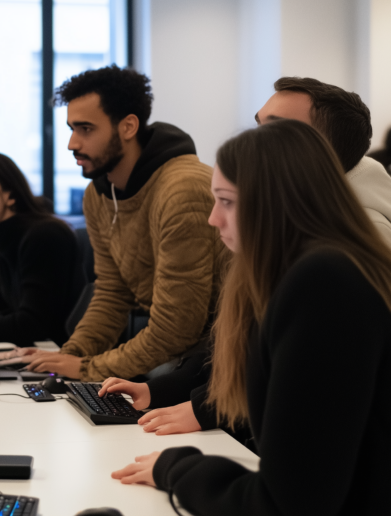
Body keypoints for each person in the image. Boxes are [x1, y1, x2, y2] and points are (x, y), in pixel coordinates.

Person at [111, 119, 391, 516]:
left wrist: (177, 467)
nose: (213, 219)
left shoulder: (324, 283)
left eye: (226, 201)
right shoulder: (305, 273)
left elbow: (289, 503)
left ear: (277, 201)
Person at [24, 65, 225, 381]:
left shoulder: (182, 189)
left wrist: (89, 369)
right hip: (181, 361)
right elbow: (113, 292)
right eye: (71, 128)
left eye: (86, 129)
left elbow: (177, 330)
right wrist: (69, 356)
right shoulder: (99, 194)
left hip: (218, 362)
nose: (71, 144)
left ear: (129, 126)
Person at [0, 152, 86, 347]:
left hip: (66, 356)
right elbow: (4, 305)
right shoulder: (1, 236)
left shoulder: (43, 236)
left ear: (10, 194)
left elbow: (32, 325)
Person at [256, 77, 391, 245]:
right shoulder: (278, 208)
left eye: (274, 131)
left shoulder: (361, 236)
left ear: (324, 152)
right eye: (258, 126)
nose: (251, 142)